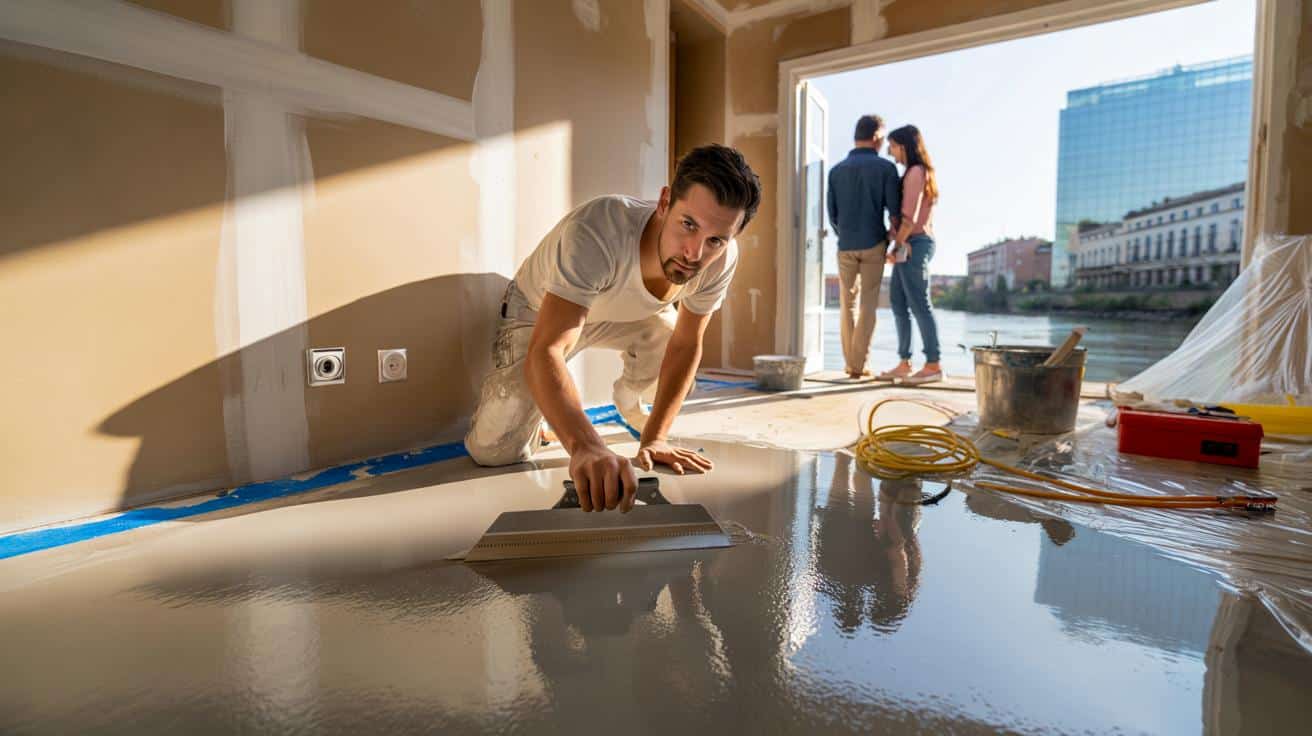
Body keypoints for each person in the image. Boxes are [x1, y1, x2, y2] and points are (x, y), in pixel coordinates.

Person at [464, 144, 762, 513]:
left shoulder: (721, 260)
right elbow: (548, 350)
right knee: (494, 452)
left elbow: (687, 344)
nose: (694, 254)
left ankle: (632, 411)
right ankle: (541, 416)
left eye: (716, 240)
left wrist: (657, 437)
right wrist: (586, 446)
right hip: (540, 311)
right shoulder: (598, 229)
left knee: (671, 342)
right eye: (688, 225)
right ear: (664, 202)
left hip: (625, 314)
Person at [826, 114, 902, 379]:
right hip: (873, 243)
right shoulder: (885, 169)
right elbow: (894, 213)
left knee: (846, 303)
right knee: (868, 304)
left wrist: (843, 233)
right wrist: (894, 239)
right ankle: (858, 365)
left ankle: (851, 364)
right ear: (877, 136)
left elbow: (832, 214)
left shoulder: (836, 171)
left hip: (845, 244)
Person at [880, 125, 942, 385]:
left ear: (904, 145)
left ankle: (933, 365)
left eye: (892, 145)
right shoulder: (914, 172)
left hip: (914, 244)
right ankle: (905, 363)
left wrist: (896, 247)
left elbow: (910, 218)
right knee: (898, 303)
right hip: (909, 243)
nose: (890, 151)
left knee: (919, 304)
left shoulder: (917, 172)